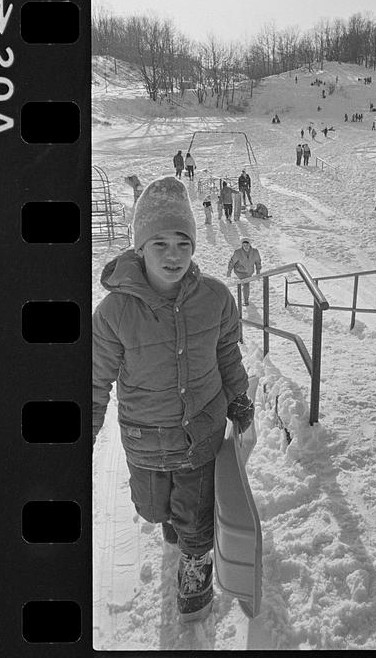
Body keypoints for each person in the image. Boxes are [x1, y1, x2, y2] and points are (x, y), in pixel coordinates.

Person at [92, 177, 254, 622]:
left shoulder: (216, 298)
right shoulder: (113, 314)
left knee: (196, 516)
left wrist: (238, 395)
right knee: (152, 509)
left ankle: (196, 563)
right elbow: (94, 380)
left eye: (184, 242)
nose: (173, 254)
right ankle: (173, 524)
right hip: (145, 439)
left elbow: (226, 352)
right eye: (159, 242)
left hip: (200, 431)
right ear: (139, 247)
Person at [227, 238, 261, 306]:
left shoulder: (255, 252)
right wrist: (229, 271)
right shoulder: (237, 252)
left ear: (250, 244)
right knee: (246, 285)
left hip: (249, 271)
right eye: (244, 245)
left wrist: (258, 272)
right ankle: (246, 300)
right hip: (240, 271)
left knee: (246, 284)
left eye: (247, 245)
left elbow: (258, 262)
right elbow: (232, 262)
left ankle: (246, 298)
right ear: (242, 245)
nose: (246, 246)